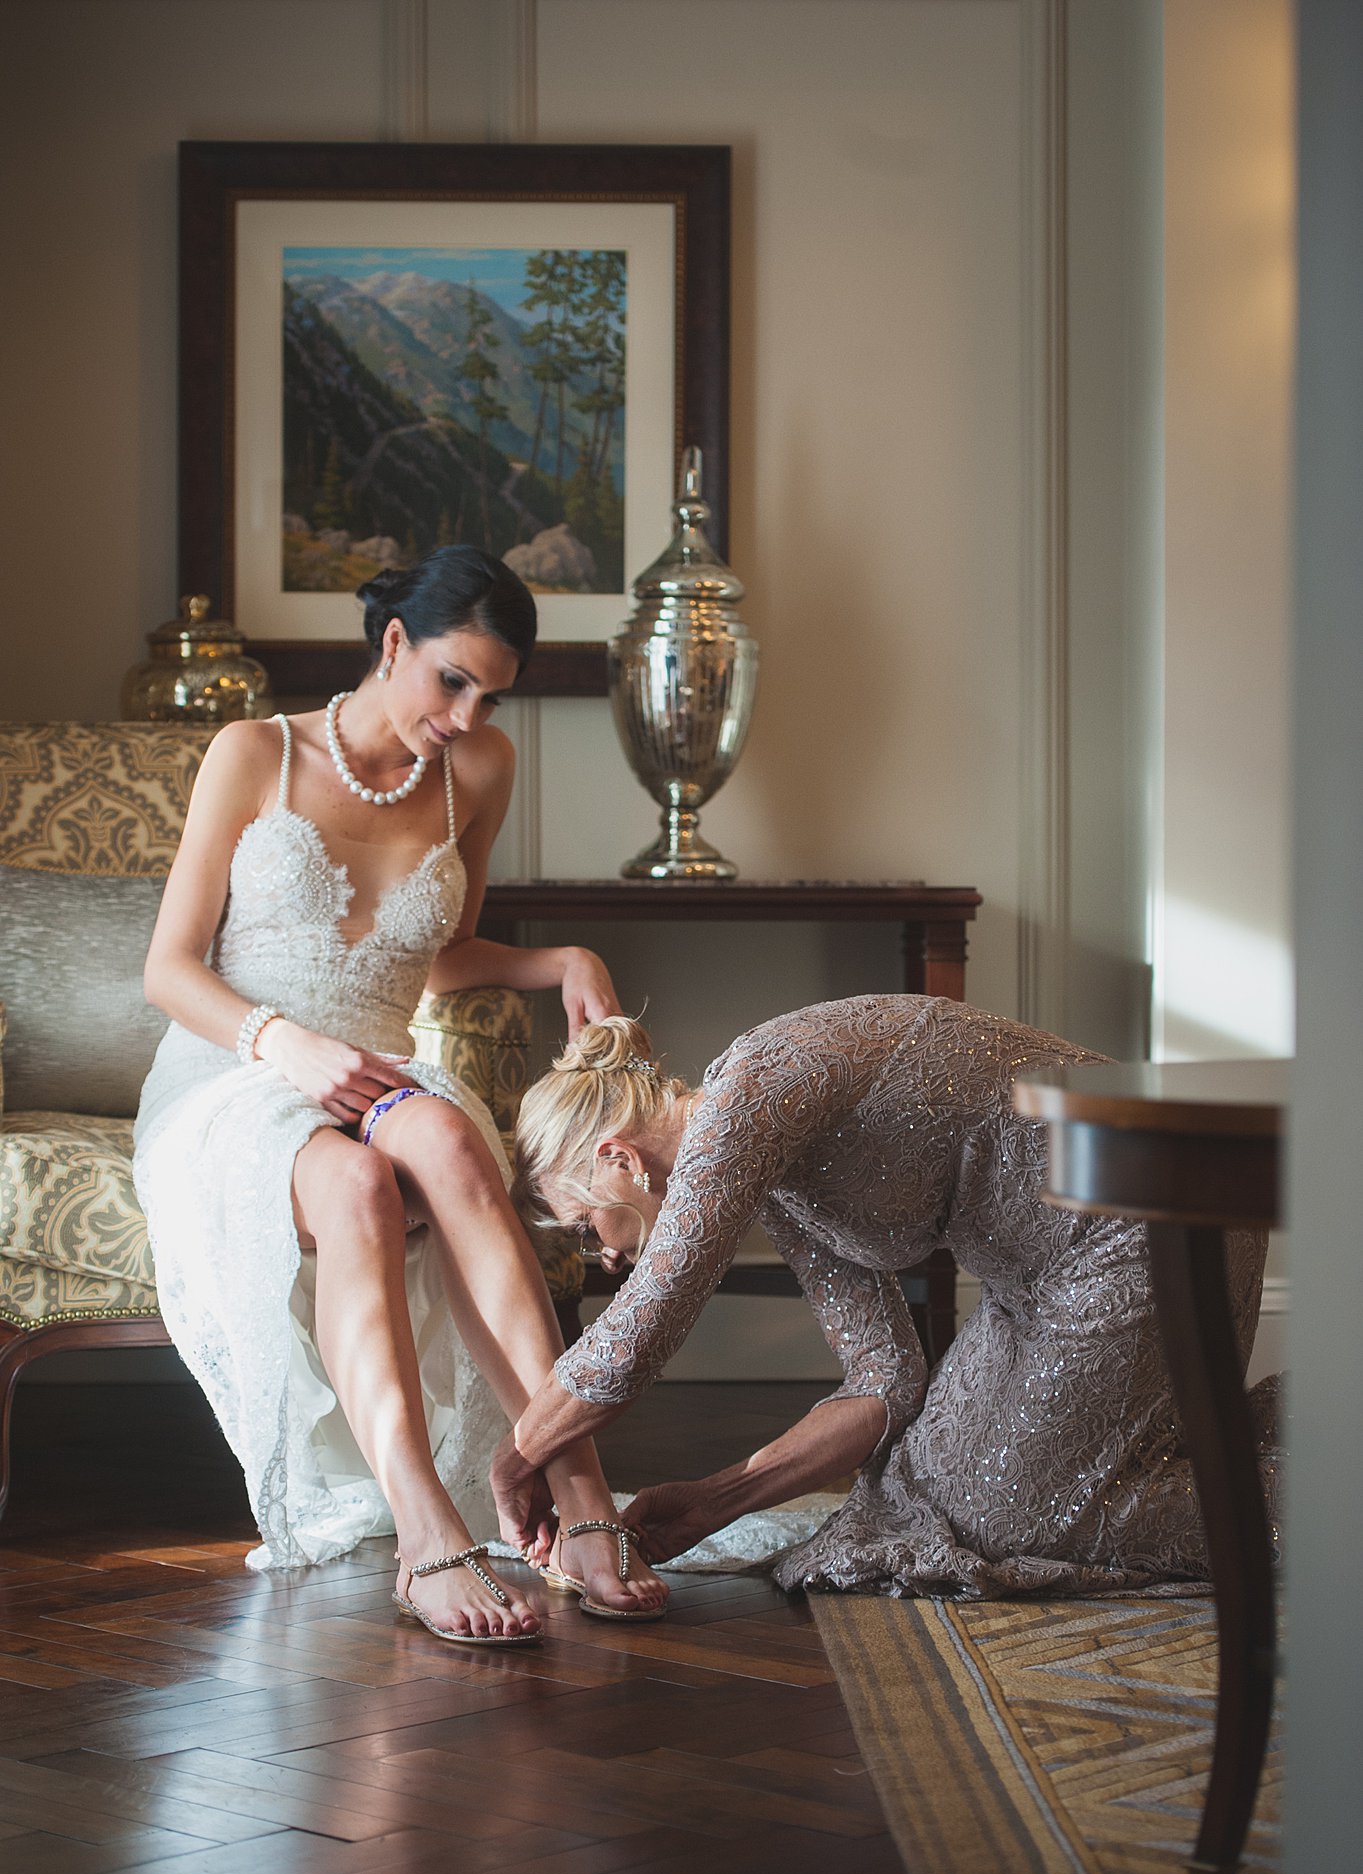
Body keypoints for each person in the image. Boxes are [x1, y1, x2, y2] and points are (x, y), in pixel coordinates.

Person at [135, 545, 667, 1643]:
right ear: (393, 646)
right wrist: (283, 1045)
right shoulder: (255, 752)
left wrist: (554, 956)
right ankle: (426, 1528)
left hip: (375, 1066)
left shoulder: (477, 768)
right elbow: (168, 968)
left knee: (457, 1148)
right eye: (450, 680)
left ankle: (580, 1496)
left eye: (489, 694)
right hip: (234, 1074)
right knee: (360, 1189)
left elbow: (437, 952)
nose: (466, 713)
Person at [495, 997, 1278, 1598]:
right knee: (920, 1491)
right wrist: (716, 1501)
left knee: (1010, 1521)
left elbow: (642, 1331)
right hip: (1030, 1286)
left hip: (1145, 1227)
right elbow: (883, 1382)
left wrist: (516, 1461)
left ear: (617, 1159)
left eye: (582, 1224)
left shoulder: (752, 1090)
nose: (599, 1254)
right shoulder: (771, 1181)